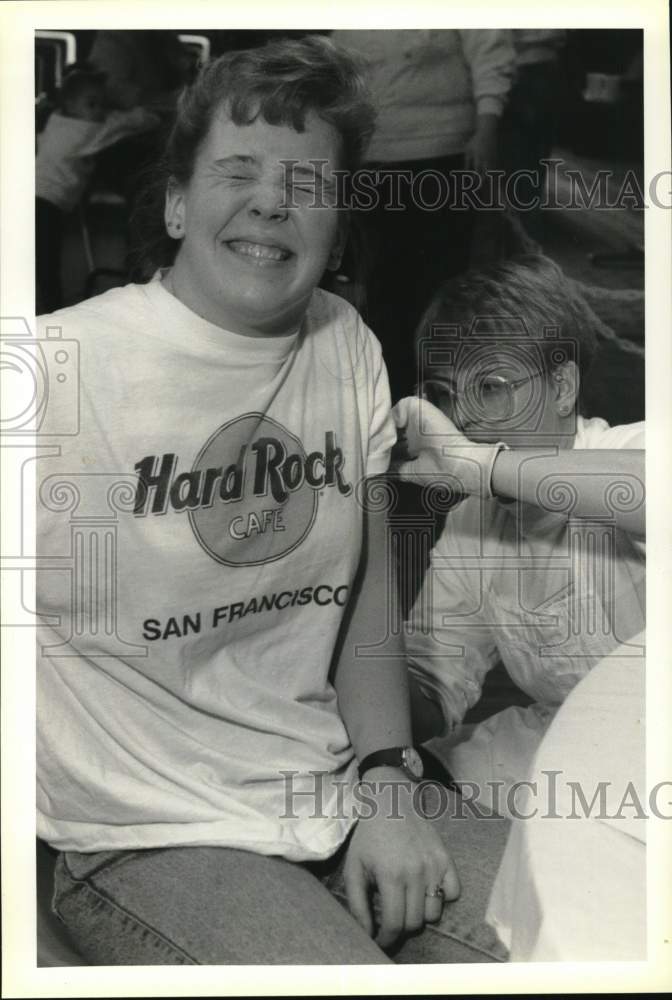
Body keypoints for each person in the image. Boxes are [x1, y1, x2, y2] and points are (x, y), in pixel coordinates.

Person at [36, 36, 510, 966]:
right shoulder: (55, 370)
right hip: (149, 830)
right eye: (239, 171)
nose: (272, 201)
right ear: (175, 202)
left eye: (309, 182)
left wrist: (387, 779)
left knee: (589, 922)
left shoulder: (346, 342)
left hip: (329, 781)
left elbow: (368, 596)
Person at [392, 255, 645, 815]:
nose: (464, 420)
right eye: (444, 393)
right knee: (419, 782)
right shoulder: (472, 524)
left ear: (562, 387)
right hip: (576, 744)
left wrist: (482, 467)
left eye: (492, 385)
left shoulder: (629, 450)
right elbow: (433, 680)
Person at [330, 29, 516, 398]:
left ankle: (443, 398)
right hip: (373, 159)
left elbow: (490, 51)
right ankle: (393, 401)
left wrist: (487, 127)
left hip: (445, 155)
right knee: (382, 286)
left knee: (443, 287)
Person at [35, 65, 159, 312]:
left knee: (36, 264)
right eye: (92, 104)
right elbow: (138, 120)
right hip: (46, 204)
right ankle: (51, 314)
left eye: (102, 104)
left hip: (32, 196)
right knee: (47, 267)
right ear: (70, 104)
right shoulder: (88, 131)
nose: (100, 111)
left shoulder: (56, 120)